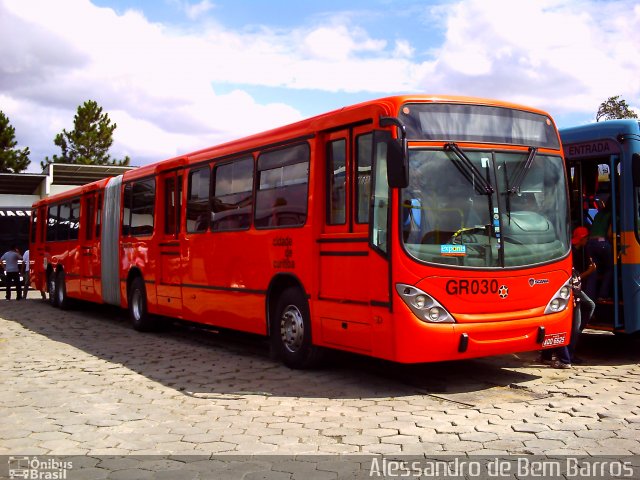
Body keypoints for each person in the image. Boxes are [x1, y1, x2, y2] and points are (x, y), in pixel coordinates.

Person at [567, 226, 597, 364]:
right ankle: (570, 353)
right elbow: (575, 278)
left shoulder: (579, 250)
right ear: (582, 239)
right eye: (586, 238)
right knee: (576, 324)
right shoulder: (572, 252)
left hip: (576, 288)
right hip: (573, 290)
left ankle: (575, 338)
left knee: (590, 305)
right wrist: (590, 271)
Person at [585, 201, 613, 301]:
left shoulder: (598, 214)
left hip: (590, 243)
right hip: (602, 243)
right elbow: (610, 234)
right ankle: (603, 295)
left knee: (593, 270)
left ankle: (589, 298)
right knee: (610, 268)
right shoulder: (612, 214)